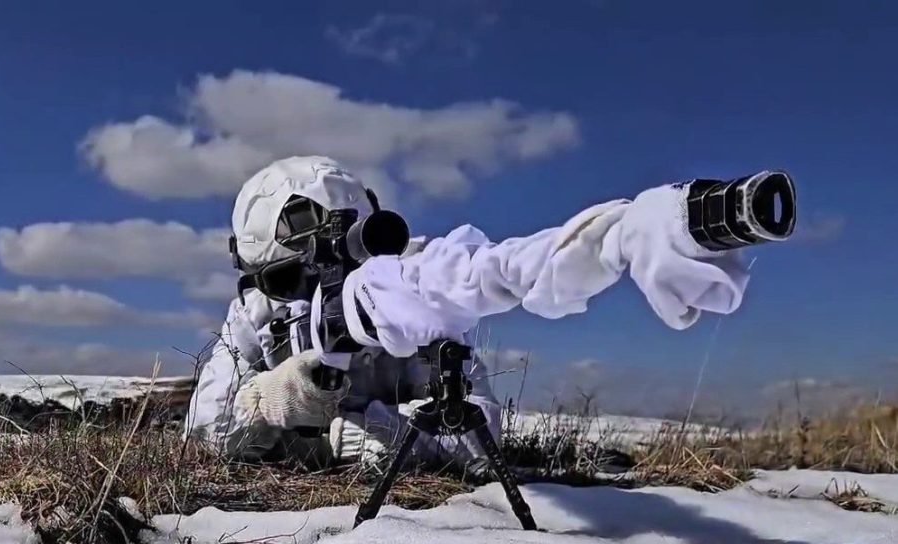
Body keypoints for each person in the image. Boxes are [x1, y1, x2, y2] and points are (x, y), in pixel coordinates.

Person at [185, 155, 757, 475]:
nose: (309, 293)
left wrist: (352, 436)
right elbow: (203, 435)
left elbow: (478, 431)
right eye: (287, 280)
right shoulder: (255, 316)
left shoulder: (405, 290)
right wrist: (269, 399)